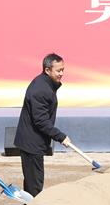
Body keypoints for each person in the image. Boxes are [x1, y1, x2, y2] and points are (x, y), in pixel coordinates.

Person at [14, 53, 71, 197]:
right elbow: (41, 120)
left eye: (63, 70)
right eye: (58, 70)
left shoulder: (46, 84)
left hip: (34, 141)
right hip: (31, 143)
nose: (61, 74)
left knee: (32, 182)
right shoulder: (41, 89)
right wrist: (60, 136)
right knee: (35, 184)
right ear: (47, 70)